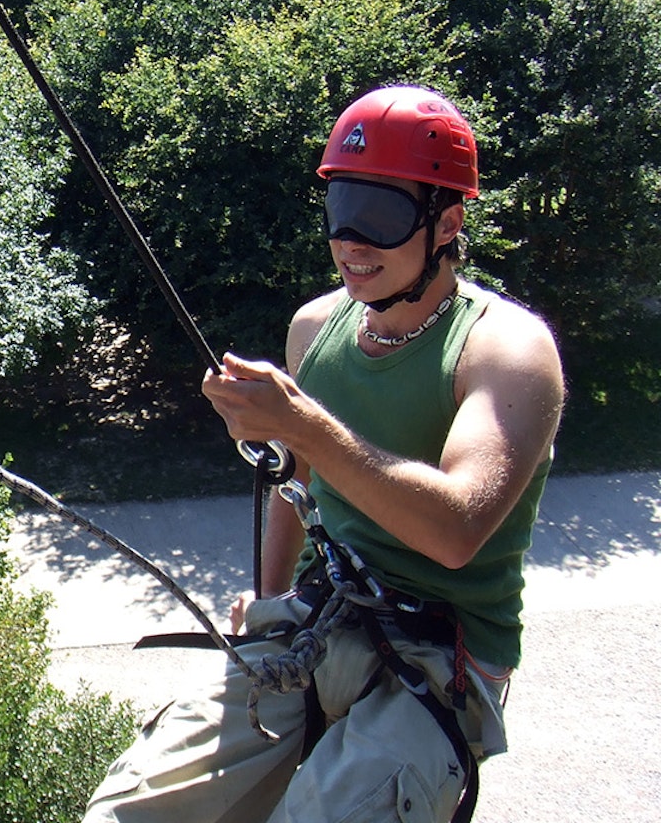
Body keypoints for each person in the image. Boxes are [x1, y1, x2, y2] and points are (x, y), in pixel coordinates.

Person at [83, 86, 564, 823]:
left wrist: (304, 426)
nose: (351, 242)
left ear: (448, 223)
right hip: (316, 622)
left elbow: (458, 529)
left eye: (381, 215)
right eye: (341, 211)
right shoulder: (316, 328)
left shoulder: (507, 350)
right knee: (126, 811)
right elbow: (293, 484)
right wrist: (268, 599)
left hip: (438, 662)